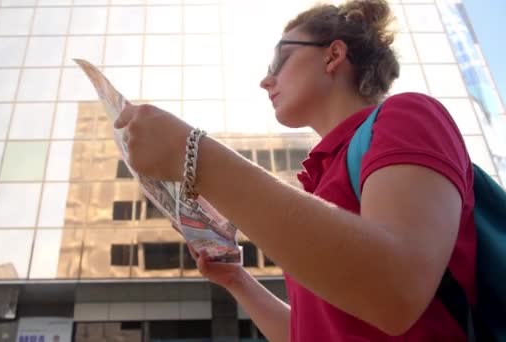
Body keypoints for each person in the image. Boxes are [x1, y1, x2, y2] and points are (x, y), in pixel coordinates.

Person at [114, 0, 475, 340]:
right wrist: (237, 280)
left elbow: (397, 289)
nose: (266, 80)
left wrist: (190, 152)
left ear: (333, 55)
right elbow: (309, 333)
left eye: (281, 59)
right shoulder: (318, 183)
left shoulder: (408, 115)